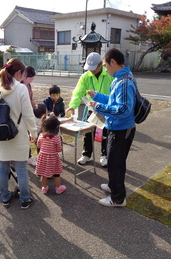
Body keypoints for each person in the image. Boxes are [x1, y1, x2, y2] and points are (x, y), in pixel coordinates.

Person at [87, 48, 137, 207]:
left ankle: (118, 198)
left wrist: (99, 107)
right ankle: (113, 185)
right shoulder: (121, 78)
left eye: (106, 66)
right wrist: (97, 96)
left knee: (116, 163)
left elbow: (123, 109)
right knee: (114, 160)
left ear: (113, 62)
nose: (106, 69)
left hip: (121, 129)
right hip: (118, 127)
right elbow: (113, 100)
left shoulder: (124, 82)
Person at [0, 58, 37, 210]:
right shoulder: (21, 89)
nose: (23, 77)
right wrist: (34, 132)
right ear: (18, 72)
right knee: (21, 169)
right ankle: (25, 199)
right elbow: (28, 115)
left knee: (3, 168)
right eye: (23, 74)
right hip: (18, 134)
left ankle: (4, 197)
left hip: (0, 135)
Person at [65, 52, 113, 167]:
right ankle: (86, 154)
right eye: (89, 68)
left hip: (106, 109)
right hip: (91, 109)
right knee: (88, 132)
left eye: (94, 68)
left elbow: (114, 93)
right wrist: (72, 105)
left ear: (100, 64)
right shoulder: (85, 76)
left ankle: (104, 155)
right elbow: (78, 92)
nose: (91, 70)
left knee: (105, 133)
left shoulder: (109, 75)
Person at [35, 115, 66, 195]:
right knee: (56, 174)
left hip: (42, 157)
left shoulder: (41, 135)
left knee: (43, 174)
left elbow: (38, 145)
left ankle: (44, 188)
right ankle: (58, 188)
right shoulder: (56, 138)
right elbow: (59, 149)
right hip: (53, 158)